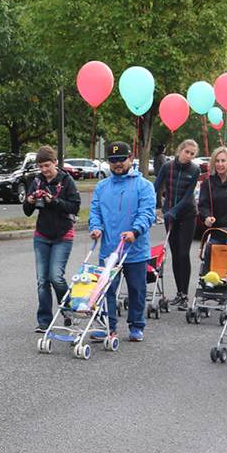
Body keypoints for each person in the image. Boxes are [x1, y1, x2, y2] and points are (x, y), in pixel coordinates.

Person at [88, 142, 156, 342]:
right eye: (113, 160)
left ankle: (136, 326)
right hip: (109, 250)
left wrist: (135, 231)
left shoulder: (144, 186)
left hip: (135, 250)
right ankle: (108, 326)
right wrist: (96, 227)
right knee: (105, 290)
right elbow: (95, 212)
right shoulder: (101, 187)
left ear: (131, 159)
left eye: (121, 159)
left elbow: (147, 213)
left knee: (136, 290)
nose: (117, 164)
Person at [23, 145, 81, 333]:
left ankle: (68, 310)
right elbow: (27, 211)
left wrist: (53, 200)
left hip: (63, 234)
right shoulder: (37, 181)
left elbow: (74, 207)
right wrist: (30, 200)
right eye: (41, 166)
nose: (44, 170)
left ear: (55, 162)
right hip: (42, 235)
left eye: (47, 165)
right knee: (42, 280)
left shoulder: (66, 181)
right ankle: (44, 321)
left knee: (56, 277)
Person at [153, 139, 200, 309]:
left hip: (187, 214)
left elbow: (188, 197)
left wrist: (174, 211)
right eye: (186, 152)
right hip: (169, 215)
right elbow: (156, 186)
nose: (188, 156)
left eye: (192, 154)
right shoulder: (167, 167)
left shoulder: (195, 170)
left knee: (183, 253)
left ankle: (185, 295)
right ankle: (178, 293)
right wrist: (153, 206)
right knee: (173, 252)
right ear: (180, 150)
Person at [197, 146, 227, 232]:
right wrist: (207, 217)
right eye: (217, 161)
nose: (220, 164)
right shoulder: (207, 183)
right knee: (210, 245)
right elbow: (203, 206)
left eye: (223, 161)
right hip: (213, 229)